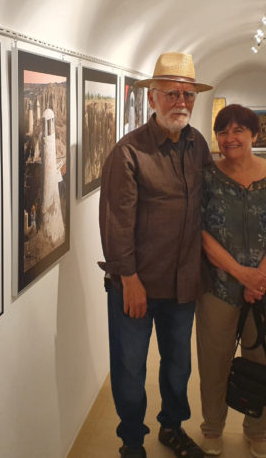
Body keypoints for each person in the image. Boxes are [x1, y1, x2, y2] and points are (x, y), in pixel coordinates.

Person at [98, 52, 212, 458]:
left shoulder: (198, 145)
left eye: (188, 94)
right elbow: (116, 221)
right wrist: (128, 279)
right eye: (171, 94)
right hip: (137, 285)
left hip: (183, 282)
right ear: (152, 98)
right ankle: (131, 442)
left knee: (178, 364)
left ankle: (171, 427)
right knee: (130, 367)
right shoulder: (129, 153)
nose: (181, 102)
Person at [197, 104, 266, 458]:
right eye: (223, 131)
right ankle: (212, 427)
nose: (230, 138)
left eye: (239, 131)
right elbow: (202, 233)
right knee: (214, 359)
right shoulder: (208, 176)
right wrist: (242, 274)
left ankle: (257, 429)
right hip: (219, 287)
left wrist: (261, 276)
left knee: (264, 359)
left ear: (255, 135)